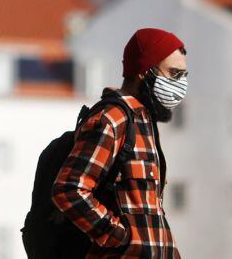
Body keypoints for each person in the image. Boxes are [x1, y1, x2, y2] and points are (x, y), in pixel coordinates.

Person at [51, 27, 188, 258]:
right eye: (174, 74)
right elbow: (69, 188)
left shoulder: (144, 121)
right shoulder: (112, 119)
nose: (181, 84)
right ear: (145, 71)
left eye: (184, 75)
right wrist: (120, 238)